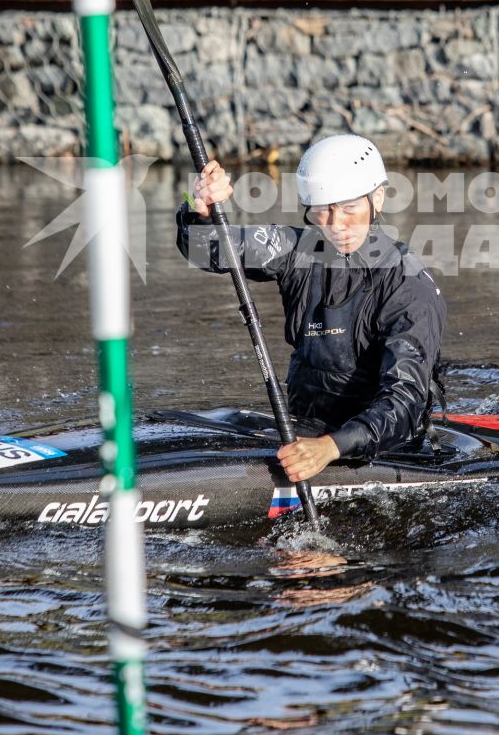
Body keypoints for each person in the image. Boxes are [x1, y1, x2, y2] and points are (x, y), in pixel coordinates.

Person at [175, 133, 446, 486]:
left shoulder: (409, 286)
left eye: (349, 208)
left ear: (376, 198)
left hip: (383, 446)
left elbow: (404, 400)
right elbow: (207, 249)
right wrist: (200, 211)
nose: (336, 224)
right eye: (323, 210)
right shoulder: (298, 248)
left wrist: (329, 448)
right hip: (303, 428)